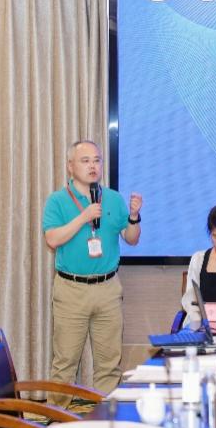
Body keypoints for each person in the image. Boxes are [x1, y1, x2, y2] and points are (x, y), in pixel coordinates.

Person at [42, 140, 142, 403]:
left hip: (108, 288)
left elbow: (132, 239)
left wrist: (134, 216)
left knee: (109, 363)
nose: (93, 166)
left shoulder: (113, 199)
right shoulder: (57, 200)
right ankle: (58, 419)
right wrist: (83, 217)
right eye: (85, 161)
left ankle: (105, 418)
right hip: (71, 289)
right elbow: (52, 239)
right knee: (65, 362)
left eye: (97, 160)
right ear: (70, 166)